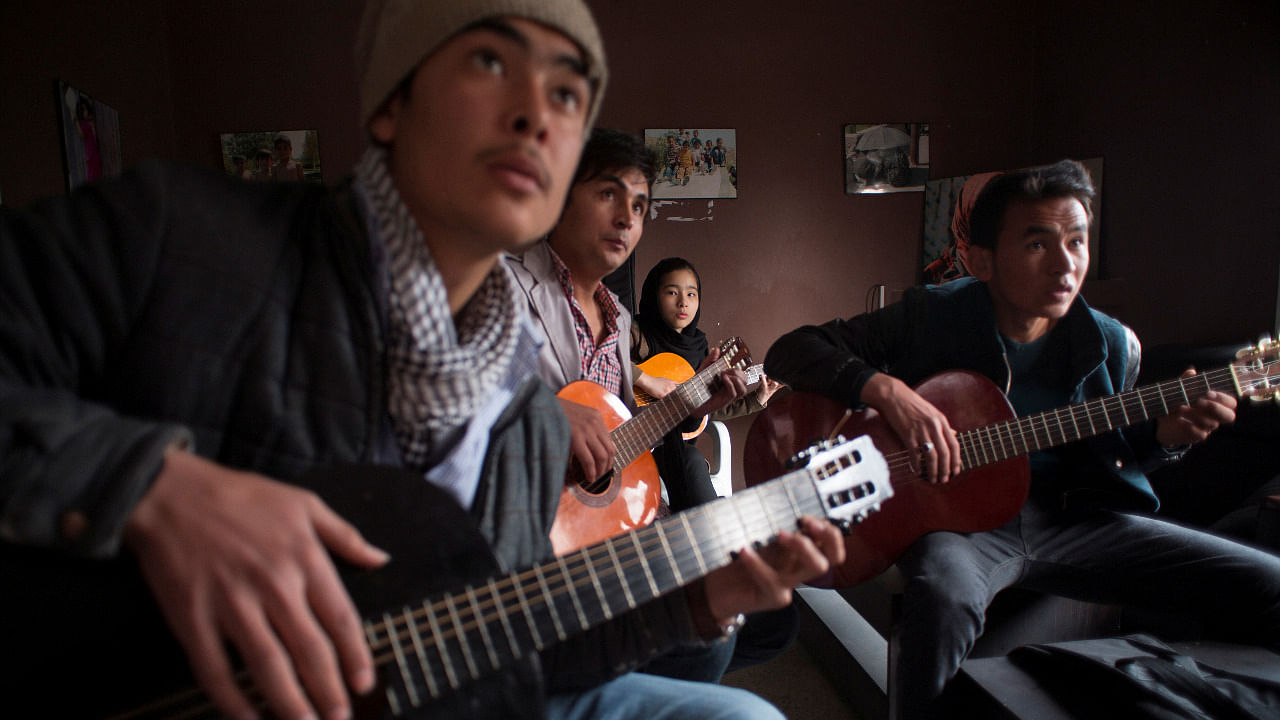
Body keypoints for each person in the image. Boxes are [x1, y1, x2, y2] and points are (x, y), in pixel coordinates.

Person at [0, 3, 844, 720]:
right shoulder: (176, 236)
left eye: (567, 94)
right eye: (490, 61)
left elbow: (503, 649)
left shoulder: (517, 397)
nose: (536, 116)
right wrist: (147, 486)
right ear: (389, 105)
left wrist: (701, 601)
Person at [764, 159, 1280, 718]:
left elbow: (1116, 461)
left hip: (1074, 522)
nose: (1066, 265)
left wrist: (1165, 439)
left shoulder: (1108, 343)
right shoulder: (931, 314)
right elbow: (791, 351)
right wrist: (887, 391)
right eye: (1038, 245)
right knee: (943, 597)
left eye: (1077, 241)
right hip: (960, 524)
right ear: (982, 259)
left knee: (1267, 579)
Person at [630, 256, 781, 512]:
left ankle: (707, 531)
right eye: (671, 292)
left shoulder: (700, 348)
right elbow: (603, 357)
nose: (683, 302)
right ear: (653, 295)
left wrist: (758, 399)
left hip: (669, 451)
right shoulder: (635, 331)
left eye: (692, 294)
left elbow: (708, 410)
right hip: (625, 440)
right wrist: (647, 380)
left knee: (690, 459)